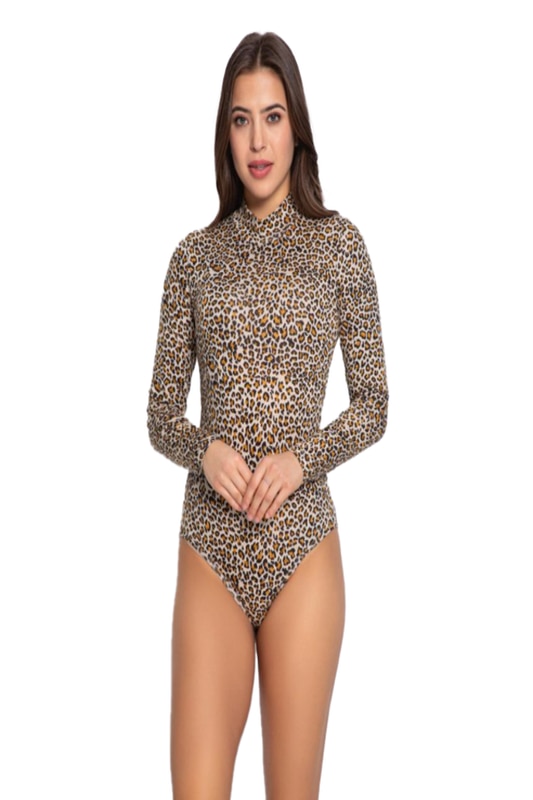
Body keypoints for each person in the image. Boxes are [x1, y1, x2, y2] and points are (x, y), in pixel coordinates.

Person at [147, 31, 388, 800]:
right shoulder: (193, 257)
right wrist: (204, 450)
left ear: (296, 128)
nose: (257, 141)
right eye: (240, 119)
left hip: (301, 544)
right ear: (224, 132)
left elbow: (374, 404)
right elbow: (159, 414)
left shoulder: (339, 246)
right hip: (211, 544)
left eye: (272, 117)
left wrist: (300, 459)